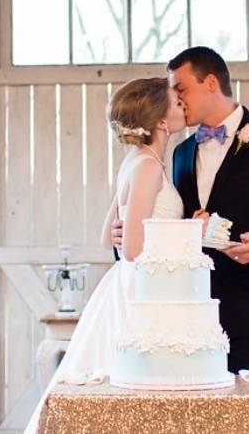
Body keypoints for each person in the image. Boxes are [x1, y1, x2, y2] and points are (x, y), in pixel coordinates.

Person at [113, 46, 249, 373]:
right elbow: (167, 225)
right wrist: (127, 234)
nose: (177, 99)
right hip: (187, 316)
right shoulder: (180, 152)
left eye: (181, 88)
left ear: (211, 82)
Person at [23, 78, 187, 434]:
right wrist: (190, 231)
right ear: (160, 119)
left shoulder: (139, 160)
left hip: (137, 286)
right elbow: (131, 249)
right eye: (176, 102)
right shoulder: (146, 166)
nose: (183, 107)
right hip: (138, 292)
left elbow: (107, 235)